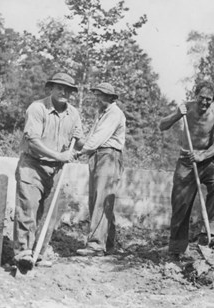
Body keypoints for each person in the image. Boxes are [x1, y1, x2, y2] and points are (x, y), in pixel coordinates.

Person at [13, 72, 84, 269]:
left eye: (68, 89)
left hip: (56, 171)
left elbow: (80, 147)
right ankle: (23, 254)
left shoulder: (74, 114)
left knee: (50, 214)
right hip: (32, 165)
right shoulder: (37, 108)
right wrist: (58, 156)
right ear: (50, 88)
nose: (64, 92)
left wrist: (79, 141)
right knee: (28, 208)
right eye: (59, 87)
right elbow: (33, 141)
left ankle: (38, 253)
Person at [159, 80, 214, 258]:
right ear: (195, 96)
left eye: (208, 100)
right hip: (186, 161)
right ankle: (177, 247)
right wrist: (176, 116)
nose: (204, 103)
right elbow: (162, 125)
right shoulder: (186, 108)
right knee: (181, 203)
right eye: (201, 98)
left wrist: (203, 155)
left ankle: (209, 232)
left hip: (207, 159)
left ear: (213, 100)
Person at [74, 83, 126, 257]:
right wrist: (78, 140)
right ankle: (108, 245)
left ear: (111, 98)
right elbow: (91, 138)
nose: (97, 98)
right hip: (98, 155)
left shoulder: (114, 113)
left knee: (101, 201)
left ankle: (96, 245)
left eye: (101, 95)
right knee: (99, 199)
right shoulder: (101, 114)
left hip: (109, 156)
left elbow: (99, 137)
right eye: (96, 95)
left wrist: (80, 152)